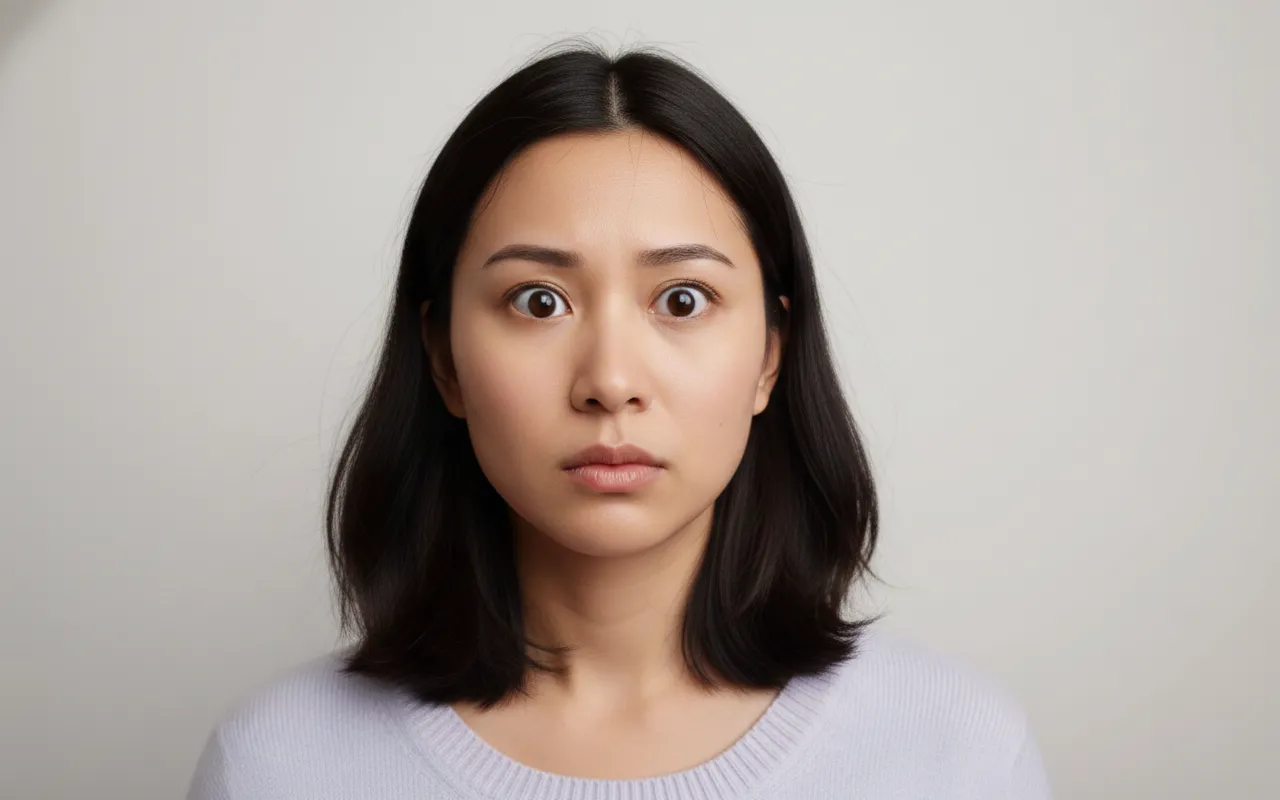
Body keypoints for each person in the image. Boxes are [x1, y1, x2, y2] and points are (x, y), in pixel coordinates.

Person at [186, 42, 1053, 799]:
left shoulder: (957, 753)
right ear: (444, 358)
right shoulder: (277, 765)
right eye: (538, 300)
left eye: (682, 299)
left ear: (769, 356)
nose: (610, 381)